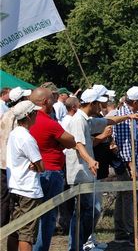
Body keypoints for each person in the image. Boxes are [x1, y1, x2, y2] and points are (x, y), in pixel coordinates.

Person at [66, 89, 138, 251]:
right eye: (98, 103)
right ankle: (76, 246)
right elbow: (78, 144)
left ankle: (79, 244)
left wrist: (127, 117)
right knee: (86, 212)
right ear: (92, 104)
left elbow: (108, 121)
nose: (101, 106)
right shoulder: (78, 120)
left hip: (87, 173)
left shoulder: (87, 120)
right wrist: (90, 159)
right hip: (80, 173)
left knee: (90, 211)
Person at [29, 87, 77, 251]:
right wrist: (59, 142)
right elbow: (70, 141)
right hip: (51, 170)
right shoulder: (49, 122)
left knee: (32, 216)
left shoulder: (27, 120)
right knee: (49, 215)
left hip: (32, 171)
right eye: (52, 99)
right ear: (45, 102)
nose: (54, 102)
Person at [112, 86, 138, 248]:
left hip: (135, 163)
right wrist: (131, 165)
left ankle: (121, 232)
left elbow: (137, 140)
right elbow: (124, 143)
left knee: (124, 199)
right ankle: (131, 234)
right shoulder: (123, 116)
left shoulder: (132, 115)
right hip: (127, 166)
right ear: (135, 102)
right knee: (128, 201)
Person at [7, 101, 45, 251]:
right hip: (28, 190)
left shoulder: (14, 133)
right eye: (35, 113)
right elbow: (41, 166)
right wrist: (36, 165)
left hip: (15, 186)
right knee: (27, 235)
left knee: (14, 229)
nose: (37, 115)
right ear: (29, 116)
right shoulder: (27, 138)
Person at [0, 87, 30, 231]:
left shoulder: (6, 113)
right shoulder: (18, 117)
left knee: (5, 196)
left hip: (3, 161)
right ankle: (6, 226)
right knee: (8, 197)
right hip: (11, 162)